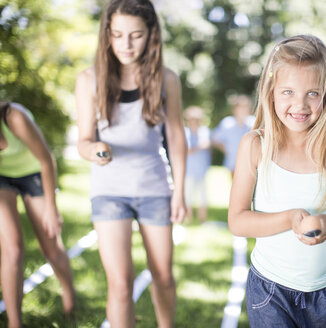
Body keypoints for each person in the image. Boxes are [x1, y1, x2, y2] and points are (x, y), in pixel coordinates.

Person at [228, 35, 326, 327]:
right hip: (268, 290)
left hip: (320, 295)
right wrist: (290, 219)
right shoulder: (255, 145)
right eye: (288, 91)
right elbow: (237, 221)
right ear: (271, 91)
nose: (299, 104)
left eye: (312, 93)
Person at [75, 0, 187, 327]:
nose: (126, 44)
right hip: (109, 191)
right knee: (120, 284)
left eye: (136, 35)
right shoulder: (88, 79)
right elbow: (83, 140)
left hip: (154, 187)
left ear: (151, 35)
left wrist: (179, 191)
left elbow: (177, 138)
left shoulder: (167, 79)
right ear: (107, 35)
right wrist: (95, 148)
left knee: (163, 276)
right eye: (118, 34)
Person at [0, 102, 76, 328]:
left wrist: (52, 208)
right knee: (12, 249)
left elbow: (46, 160)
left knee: (51, 244)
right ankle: (15, 323)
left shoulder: (14, 117)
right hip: (2, 178)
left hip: (34, 170)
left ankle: (70, 298)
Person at [212, 94, 255, 176]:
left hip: (251, 164)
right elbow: (215, 139)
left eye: (245, 107)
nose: (243, 110)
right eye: (240, 107)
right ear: (235, 109)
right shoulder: (227, 123)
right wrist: (227, 149)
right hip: (233, 163)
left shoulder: (253, 122)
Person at [183, 106, 211, 223]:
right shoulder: (185, 132)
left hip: (202, 169)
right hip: (188, 169)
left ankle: (202, 219)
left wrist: (195, 148)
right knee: (188, 195)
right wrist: (198, 147)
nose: (194, 122)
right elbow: (186, 149)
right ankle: (188, 219)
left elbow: (206, 144)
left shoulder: (204, 131)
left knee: (203, 196)